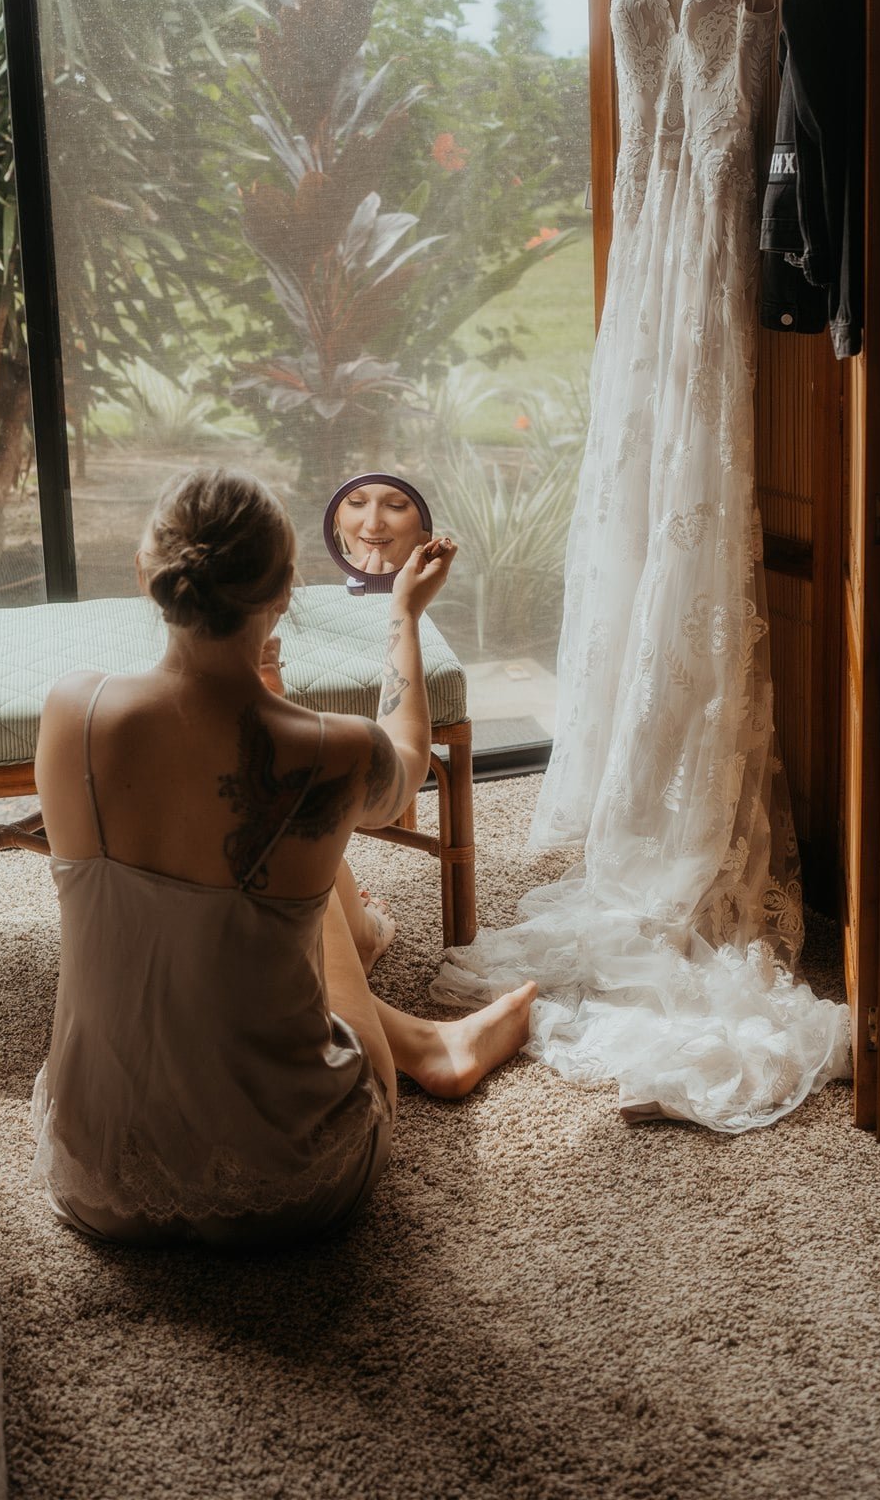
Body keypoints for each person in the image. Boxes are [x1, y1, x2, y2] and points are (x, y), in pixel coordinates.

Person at [31, 466, 535, 1246]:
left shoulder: (73, 708)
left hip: (99, 1179)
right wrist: (402, 614)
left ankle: (378, 972)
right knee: (302, 823)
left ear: (148, 575)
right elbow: (403, 762)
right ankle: (415, 1027)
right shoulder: (332, 750)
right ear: (287, 592)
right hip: (296, 1181)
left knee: (281, 825)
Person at [333, 481, 424, 574]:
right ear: (337, 515)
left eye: (396, 505)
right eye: (356, 502)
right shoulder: (320, 585)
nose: (372, 526)